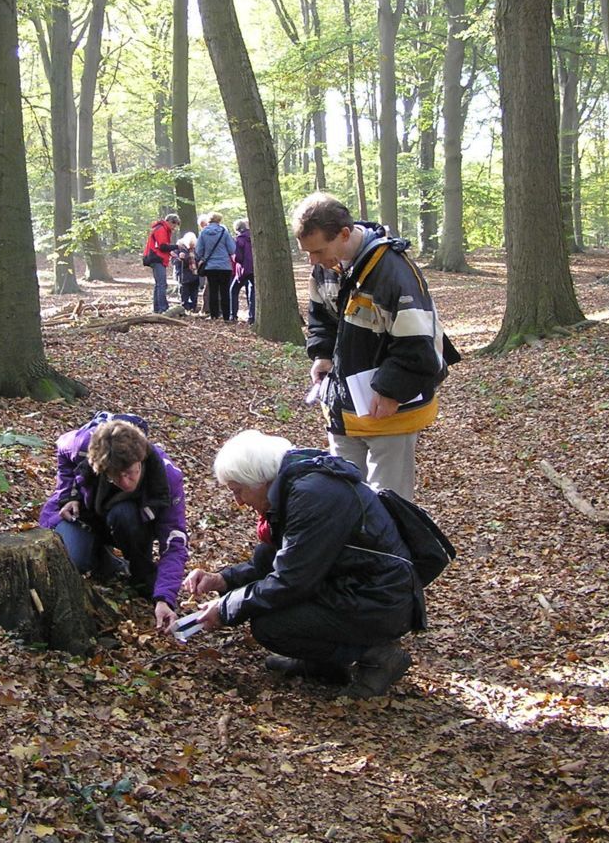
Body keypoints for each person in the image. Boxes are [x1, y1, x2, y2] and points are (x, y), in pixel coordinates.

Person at [181, 430, 424, 698]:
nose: (238, 502)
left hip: (380, 600)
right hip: (352, 585)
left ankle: (377, 656)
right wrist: (223, 580)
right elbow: (276, 562)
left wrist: (225, 608)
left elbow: (291, 581)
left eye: (239, 491)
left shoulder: (312, 496)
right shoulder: (293, 481)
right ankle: (324, 662)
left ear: (259, 480)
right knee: (265, 557)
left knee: (271, 627)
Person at [292, 191, 454, 500]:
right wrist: (322, 355)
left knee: (389, 504)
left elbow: (417, 344)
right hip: (343, 406)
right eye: (307, 253)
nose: (313, 260)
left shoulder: (393, 272)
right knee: (345, 498)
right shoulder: (325, 267)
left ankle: (392, 550)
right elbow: (321, 319)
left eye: (318, 250)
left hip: (389, 411)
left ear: (343, 233)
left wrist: (392, 390)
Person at [39, 414, 188, 631]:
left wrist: (165, 597)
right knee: (72, 561)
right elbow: (62, 450)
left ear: (141, 459)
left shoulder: (167, 477)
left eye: (130, 473)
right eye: (115, 477)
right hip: (87, 516)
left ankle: (136, 571)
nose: (125, 482)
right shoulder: (84, 445)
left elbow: (174, 541)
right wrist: (68, 495)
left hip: (130, 523)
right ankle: (103, 559)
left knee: (124, 514)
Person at [196, 212, 236, 320]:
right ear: (219, 220)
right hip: (225, 266)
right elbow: (232, 249)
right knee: (225, 291)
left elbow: (198, 251)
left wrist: (203, 257)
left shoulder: (203, 233)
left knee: (213, 291)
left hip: (210, 267)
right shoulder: (224, 232)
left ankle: (214, 315)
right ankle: (226, 316)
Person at [143, 213, 181, 314]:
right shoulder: (161, 229)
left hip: (156, 257)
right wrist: (177, 246)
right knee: (162, 284)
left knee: (159, 284)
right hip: (156, 258)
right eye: (174, 225)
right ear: (169, 222)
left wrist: (170, 252)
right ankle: (163, 308)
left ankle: (157, 307)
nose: (174, 228)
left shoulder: (162, 228)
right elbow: (162, 246)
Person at [229, 218, 255, 324]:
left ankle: (233, 315)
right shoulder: (254, 238)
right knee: (252, 291)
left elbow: (239, 258)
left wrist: (233, 257)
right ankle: (252, 317)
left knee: (233, 290)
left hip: (243, 270)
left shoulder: (239, 240)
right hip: (253, 269)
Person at [173, 231, 200, 312]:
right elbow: (174, 261)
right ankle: (185, 308)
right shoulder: (179, 248)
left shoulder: (196, 249)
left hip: (195, 274)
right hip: (183, 274)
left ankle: (193, 307)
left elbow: (198, 258)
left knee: (194, 293)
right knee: (184, 292)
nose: (192, 245)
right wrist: (180, 258)